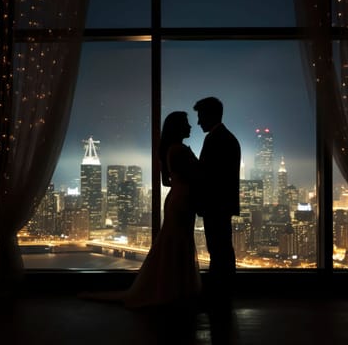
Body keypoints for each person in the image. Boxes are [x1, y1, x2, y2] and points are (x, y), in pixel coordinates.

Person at [79, 111, 201, 309]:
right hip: (183, 201)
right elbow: (197, 176)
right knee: (180, 243)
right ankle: (178, 290)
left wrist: (180, 182)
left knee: (173, 242)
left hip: (176, 199)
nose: (190, 126)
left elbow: (166, 181)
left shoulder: (169, 150)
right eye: (186, 123)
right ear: (177, 127)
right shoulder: (179, 150)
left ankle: (170, 289)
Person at [193, 96, 241, 306]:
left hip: (215, 205)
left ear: (211, 115)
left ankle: (219, 294)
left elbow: (208, 176)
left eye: (201, 116)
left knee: (218, 249)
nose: (198, 122)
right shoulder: (227, 138)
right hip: (221, 205)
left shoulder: (216, 139)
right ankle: (223, 293)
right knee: (222, 249)